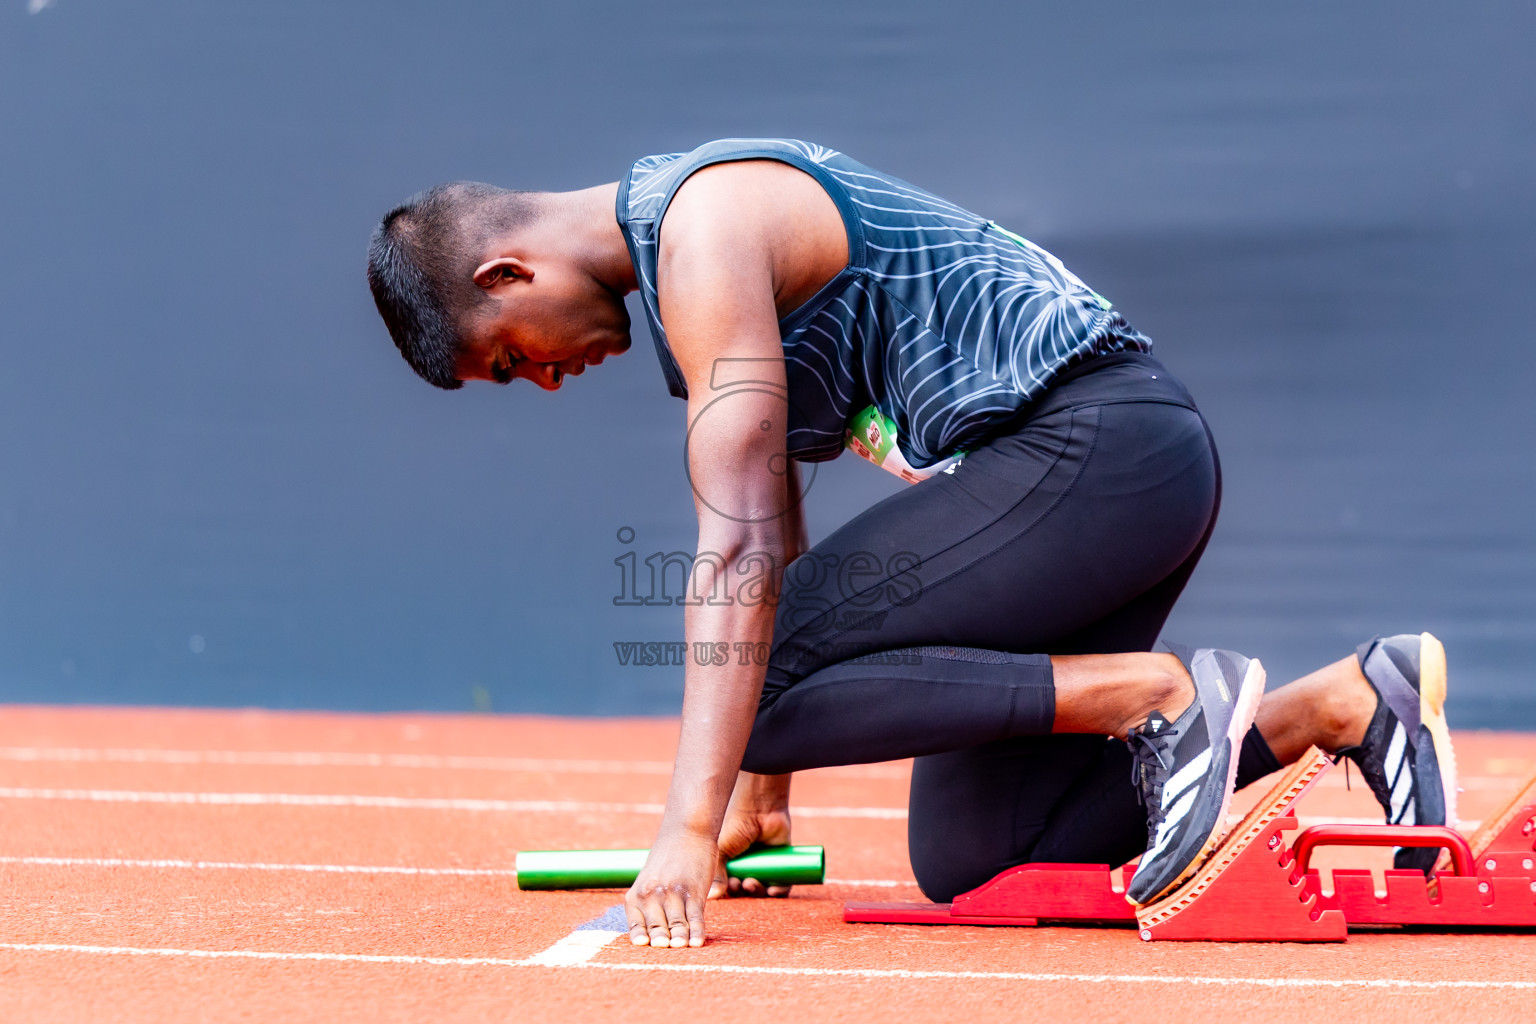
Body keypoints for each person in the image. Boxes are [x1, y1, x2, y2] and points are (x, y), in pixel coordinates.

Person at [365, 138, 1456, 949]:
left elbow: (737, 558)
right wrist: (761, 795)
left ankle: (1156, 697)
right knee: (984, 852)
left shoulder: (703, 233)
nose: (546, 380)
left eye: (512, 360)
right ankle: (1342, 705)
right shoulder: (683, 257)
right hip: (1121, 470)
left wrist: (687, 829)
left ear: (505, 276)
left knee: (753, 665)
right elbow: (776, 519)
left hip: (1097, 450)